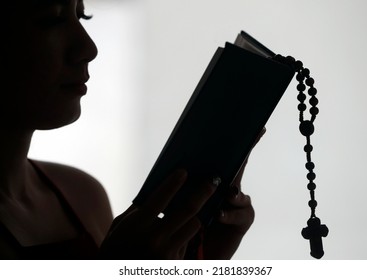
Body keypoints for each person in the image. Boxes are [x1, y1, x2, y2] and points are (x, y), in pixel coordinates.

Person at [0, 0, 259, 259]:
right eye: (51, 20)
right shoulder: (80, 198)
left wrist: (204, 258)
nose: (89, 48)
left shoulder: (83, 195)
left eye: (82, 16)